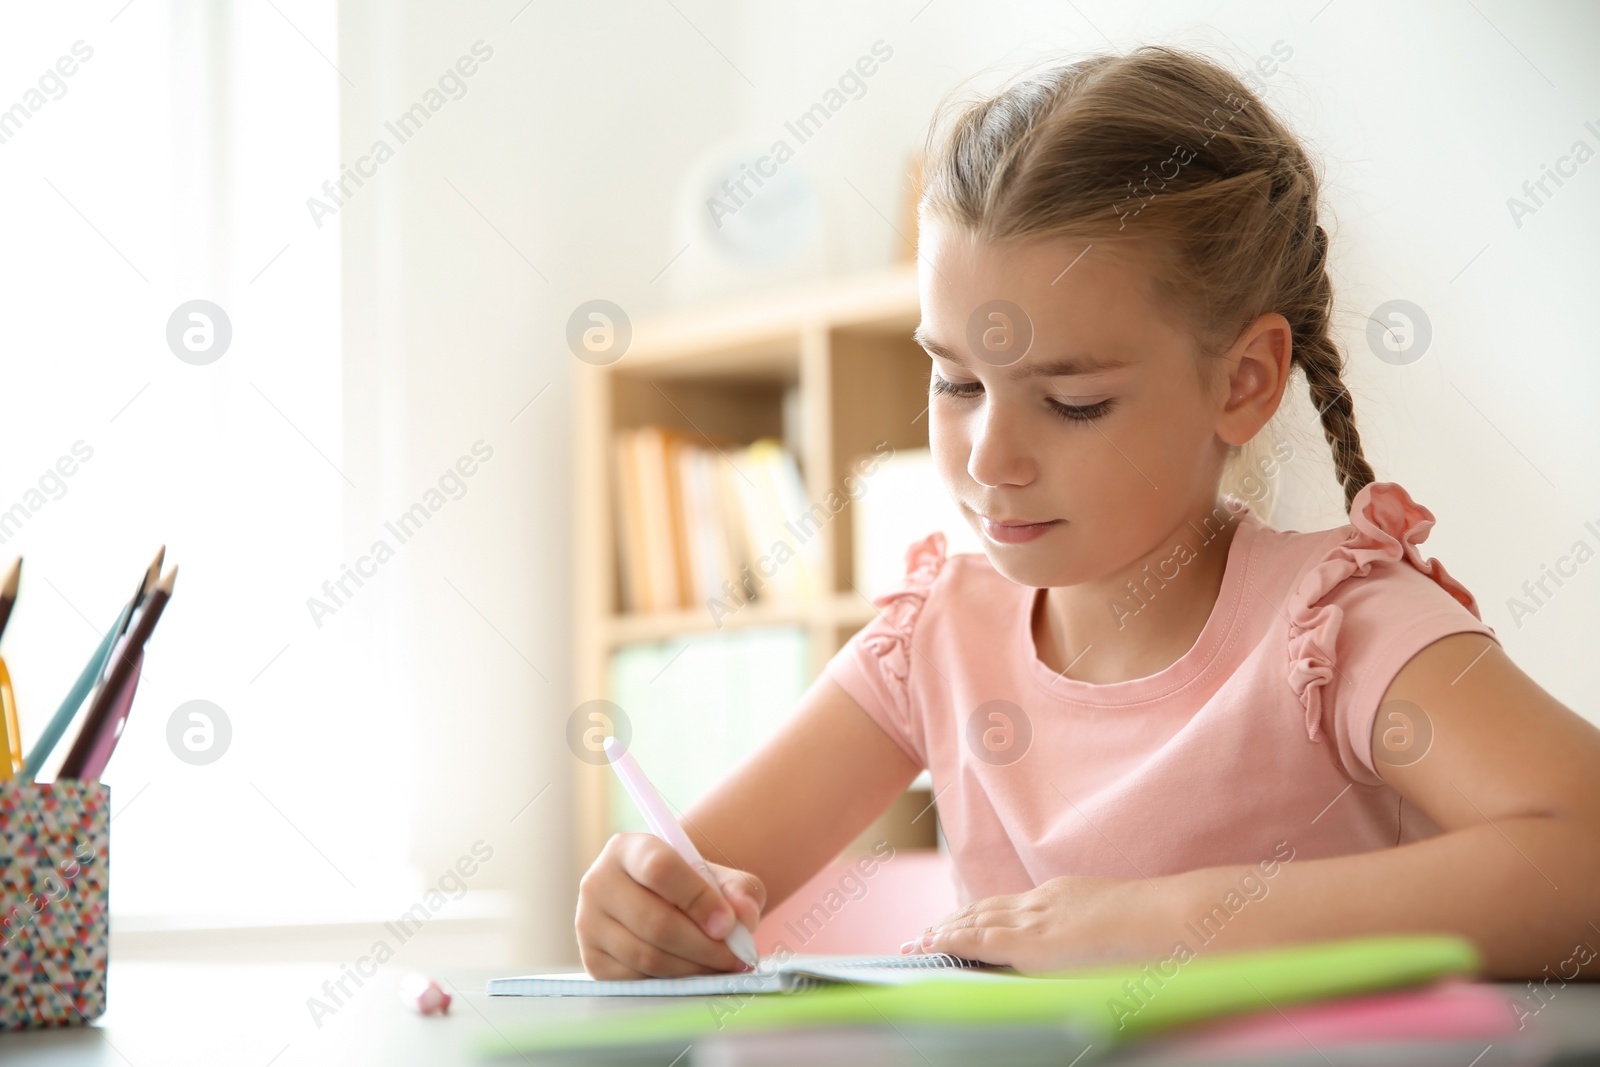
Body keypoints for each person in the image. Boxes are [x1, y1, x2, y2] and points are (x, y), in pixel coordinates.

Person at [575, 45, 1600, 981]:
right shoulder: (936, 635)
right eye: (955, 381)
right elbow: (698, 879)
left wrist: (1173, 922)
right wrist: (640, 902)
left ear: (1242, 382)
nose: (988, 458)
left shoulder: (1339, 624)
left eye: (1072, 401)